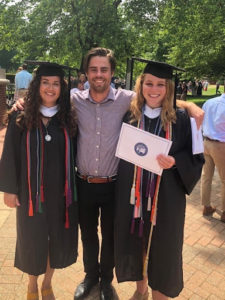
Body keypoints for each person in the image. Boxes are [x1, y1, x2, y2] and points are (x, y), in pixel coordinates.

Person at [13, 48, 204, 300]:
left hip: (116, 184)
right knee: (88, 234)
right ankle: (90, 276)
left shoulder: (127, 99)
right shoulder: (73, 99)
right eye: (93, 69)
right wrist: (24, 100)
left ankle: (106, 281)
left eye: (104, 69)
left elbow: (157, 95)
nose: (99, 74)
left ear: (112, 72)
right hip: (83, 182)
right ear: (86, 73)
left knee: (112, 235)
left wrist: (190, 105)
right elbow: (47, 97)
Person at [114, 61, 204, 300]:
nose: (154, 89)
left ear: (169, 87)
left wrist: (175, 162)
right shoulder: (130, 116)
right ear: (141, 85)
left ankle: (159, 295)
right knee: (136, 243)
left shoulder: (183, 119)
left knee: (164, 248)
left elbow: (197, 158)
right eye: (149, 83)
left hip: (167, 199)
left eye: (160, 84)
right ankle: (140, 289)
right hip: (134, 195)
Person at [0, 62, 78, 300]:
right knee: (32, 239)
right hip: (29, 193)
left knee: (56, 239)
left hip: (60, 193)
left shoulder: (69, 119)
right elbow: (10, 154)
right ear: (37, 85)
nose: (50, 88)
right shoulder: (21, 116)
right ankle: (32, 284)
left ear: (61, 88)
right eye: (45, 82)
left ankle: (47, 282)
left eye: (55, 84)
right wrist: (9, 190)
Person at [201, 91, 225, 222]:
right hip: (221, 144)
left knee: (206, 176)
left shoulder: (209, 102)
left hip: (206, 142)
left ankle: (206, 206)